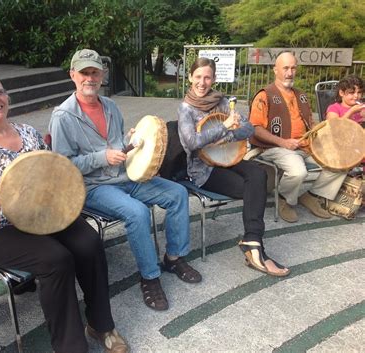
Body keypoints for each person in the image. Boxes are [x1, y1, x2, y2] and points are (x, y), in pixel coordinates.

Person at [0, 73, 128, 353]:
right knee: (55, 259)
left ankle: (100, 324)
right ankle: (70, 347)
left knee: (88, 241)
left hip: (38, 214)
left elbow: (54, 170)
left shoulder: (28, 133)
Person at [49, 49, 202, 312]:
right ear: (73, 75)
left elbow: (118, 147)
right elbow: (62, 166)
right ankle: (149, 277)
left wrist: (133, 143)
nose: (90, 78)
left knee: (177, 193)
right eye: (84, 72)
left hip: (125, 176)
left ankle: (173, 257)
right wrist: (101, 157)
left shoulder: (111, 106)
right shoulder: (63, 116)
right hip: (95, 186)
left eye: (94, 72)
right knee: (138, 213)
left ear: (102, 75)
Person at [178, 57, 290, 277]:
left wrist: (228, 133)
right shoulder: (186, 109)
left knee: (258, 174)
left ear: (214, 79)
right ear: (190, 77)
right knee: (251, 188)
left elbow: (248, 128)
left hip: (229, 158)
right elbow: (191, 142)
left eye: (207, 77)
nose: (202, 82)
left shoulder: (222, 101)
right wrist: (223, 127)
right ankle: (256, 248)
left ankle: (252, 240)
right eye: (198, 77)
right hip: (204, 169)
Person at [249, 52, 347, 223]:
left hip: (303, 146)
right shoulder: (265, 95)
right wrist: (283, 142)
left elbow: (309, 122)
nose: (289, 72)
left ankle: (312, 195)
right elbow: (255, 128)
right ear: (275, 70)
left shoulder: (301, 94)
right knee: (298, 171)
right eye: (285, 68)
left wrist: (318, 134)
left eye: (293, 68)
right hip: (274, 147)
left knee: (341, 163)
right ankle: (284, 200)